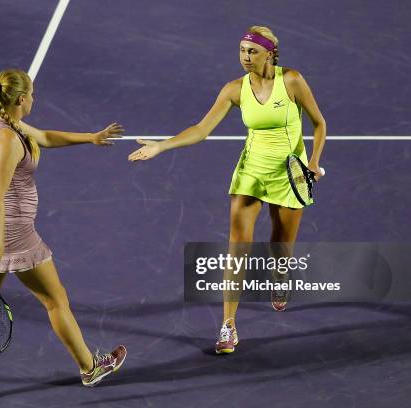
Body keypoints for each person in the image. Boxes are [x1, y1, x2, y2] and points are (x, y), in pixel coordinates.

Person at [128, 26, 326, 354]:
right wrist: (162, 146)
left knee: (281, 246)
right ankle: (228, 325)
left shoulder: (291, 80)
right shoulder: (235, 89)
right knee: (237, 252)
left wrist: (313, 162)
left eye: (252, 51)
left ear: (270, 53)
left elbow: (319, 123)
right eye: (241, 51)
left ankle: (280, 277)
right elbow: (201, 129)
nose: (244, 57)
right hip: (251, 173)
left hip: (289, 174)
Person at [0, 69, 127, 402]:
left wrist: (91, 137)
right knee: (55, 301)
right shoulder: (8, 140)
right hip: (10, 232)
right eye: (33, 94)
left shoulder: (0, 123)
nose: (34, 99)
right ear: (22, 99)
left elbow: (44, 137)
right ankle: (91, 367)